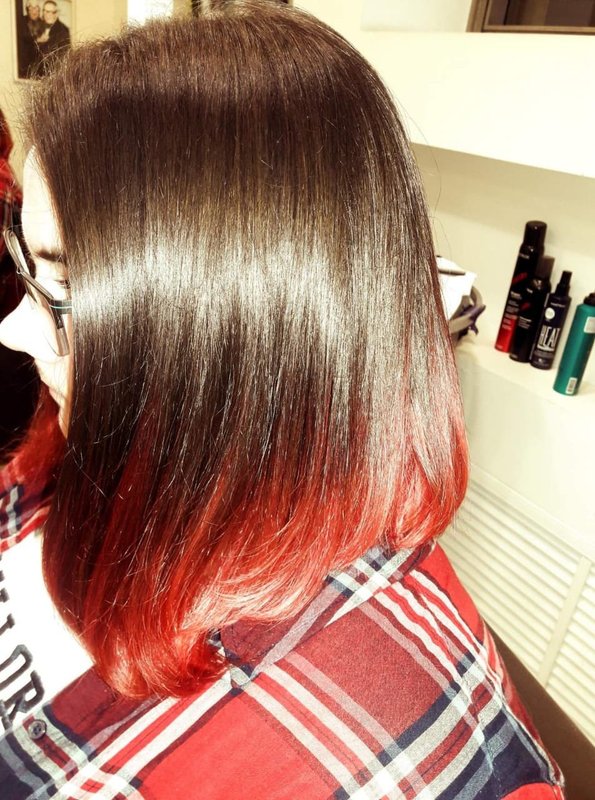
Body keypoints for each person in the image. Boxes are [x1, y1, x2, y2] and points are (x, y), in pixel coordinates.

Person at [0, 2, 565, 797]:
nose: (13, 329)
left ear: (227, 333)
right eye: (32, 267)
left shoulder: (394, 763)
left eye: (65, 284)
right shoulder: (97, 438)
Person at [35, 0, 70, 73]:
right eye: (46, 12)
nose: (49, 15)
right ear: (43, 12)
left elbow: (60, 58)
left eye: (53, 12)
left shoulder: (63, 31)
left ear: (57, 14)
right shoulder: (39, 26)